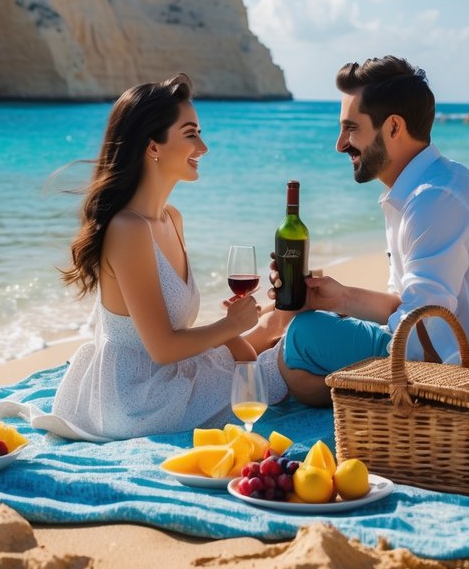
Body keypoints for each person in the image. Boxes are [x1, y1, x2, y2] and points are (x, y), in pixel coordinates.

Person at [275, 56, 469, 429]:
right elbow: (415, 307)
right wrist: (336, 298)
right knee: (303, 336)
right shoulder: (427, 186)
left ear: (393, 127)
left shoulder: (433, 200)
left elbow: (422, 331)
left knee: (299, 341)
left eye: (351, 129)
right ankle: (360, 397)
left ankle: (369, 403)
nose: (340, 144)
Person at [46, 73, 289, 440]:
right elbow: (162, 348)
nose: (203, 147)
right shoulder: (128, 229)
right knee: (284, 367)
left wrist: (232, 332)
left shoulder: (171, 218)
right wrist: (229, 328)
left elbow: (175, 338)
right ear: (152, 147)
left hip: (168, 375)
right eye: (191, 133)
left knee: (275, 332)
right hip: (139, 400)